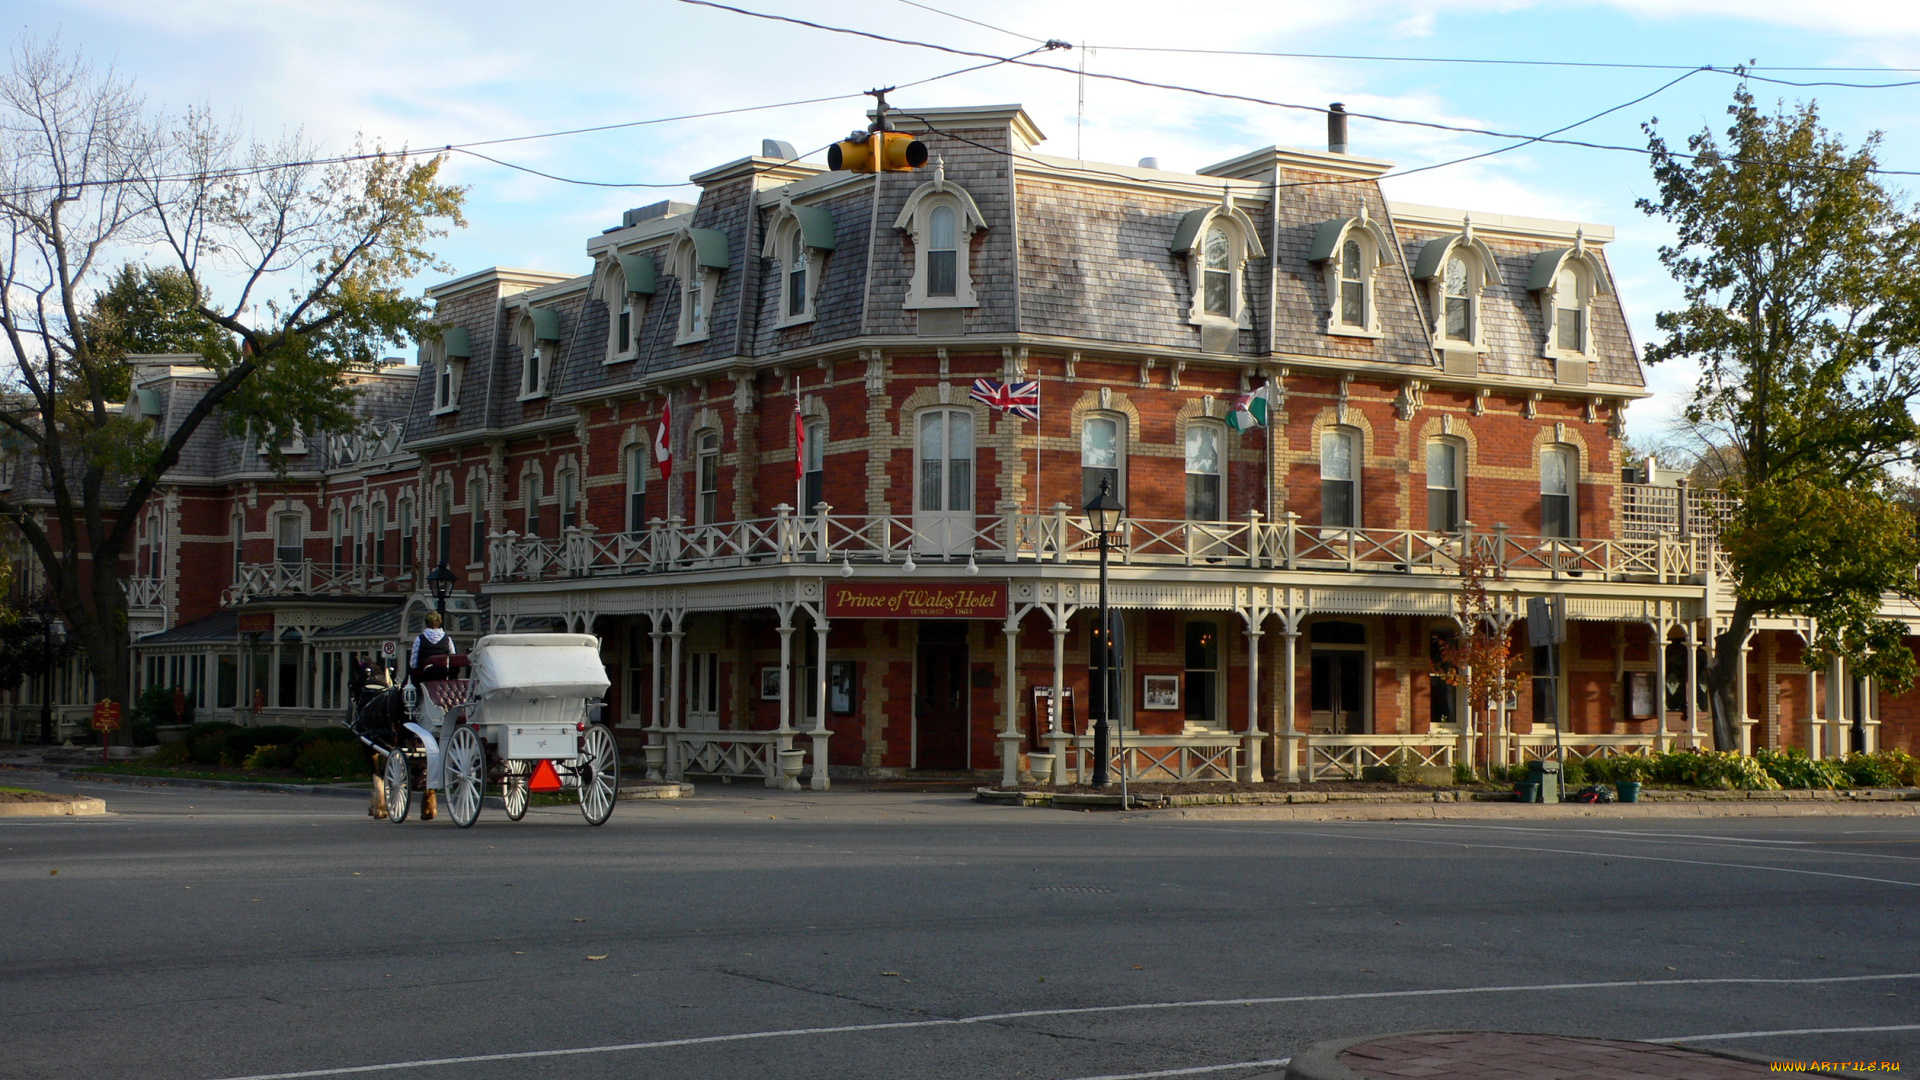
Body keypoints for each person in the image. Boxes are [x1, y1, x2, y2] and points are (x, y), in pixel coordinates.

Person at [409, 611, 456, 684]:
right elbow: (453, 659)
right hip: (442, 677)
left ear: (426, 623)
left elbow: (413, 664)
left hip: (424, 678)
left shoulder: (419, 639)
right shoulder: (448, 639)